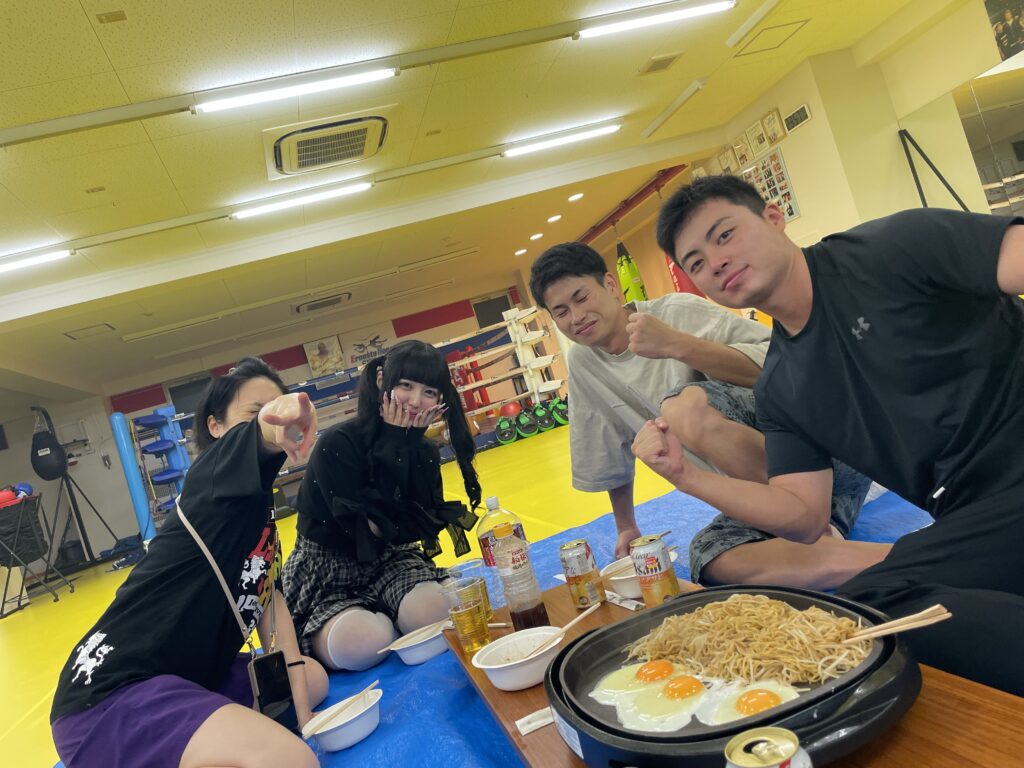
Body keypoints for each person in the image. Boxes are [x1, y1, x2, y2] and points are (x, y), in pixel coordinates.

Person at [638, 174, 1024, 695]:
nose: (717, 262)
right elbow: (803, 517)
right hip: (979, 516)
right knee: (872, 610)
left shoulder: (889, 249)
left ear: (774, 218)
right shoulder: (780, 387)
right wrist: (685, 476)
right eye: (698, 263)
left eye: (724, 235)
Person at [528, 243, 884, 589]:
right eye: (561, 311)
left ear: (610, 284)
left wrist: (678, 345)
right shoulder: (584, 363)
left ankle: (806, 521)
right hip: (784, 499)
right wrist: (626, 527)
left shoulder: (677, 312)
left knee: (682, 409)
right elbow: (609, 448)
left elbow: (788, 363)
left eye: (581, 298)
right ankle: (881, 558)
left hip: (822, 458)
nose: (576, 317)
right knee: (709, 557)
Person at [50, 358, 329, 768]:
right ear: (215, 427)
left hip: (188, 678)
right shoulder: (209, 479)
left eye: (278, 405)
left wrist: (303, 717)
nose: (275, 420)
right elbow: (255, 437)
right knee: (289, 760)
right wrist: (274, 421)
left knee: (310, 678)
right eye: (255, 411)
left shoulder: (258, 515)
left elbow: (274, 613)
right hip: (107, 695)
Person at [282, 340, 481, 671]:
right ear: (381, 382)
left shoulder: (424, 451)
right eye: (406, 386)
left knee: (436, 612)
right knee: (364, 644)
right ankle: (375, 620)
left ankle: (394, 611)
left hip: (392, 559)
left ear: (439, 400)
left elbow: (410, 528)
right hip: (329, 569)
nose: (415, 401)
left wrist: (405, 445)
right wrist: (394, 444)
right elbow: (366, 531)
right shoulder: (338, 443)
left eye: (429, 392)